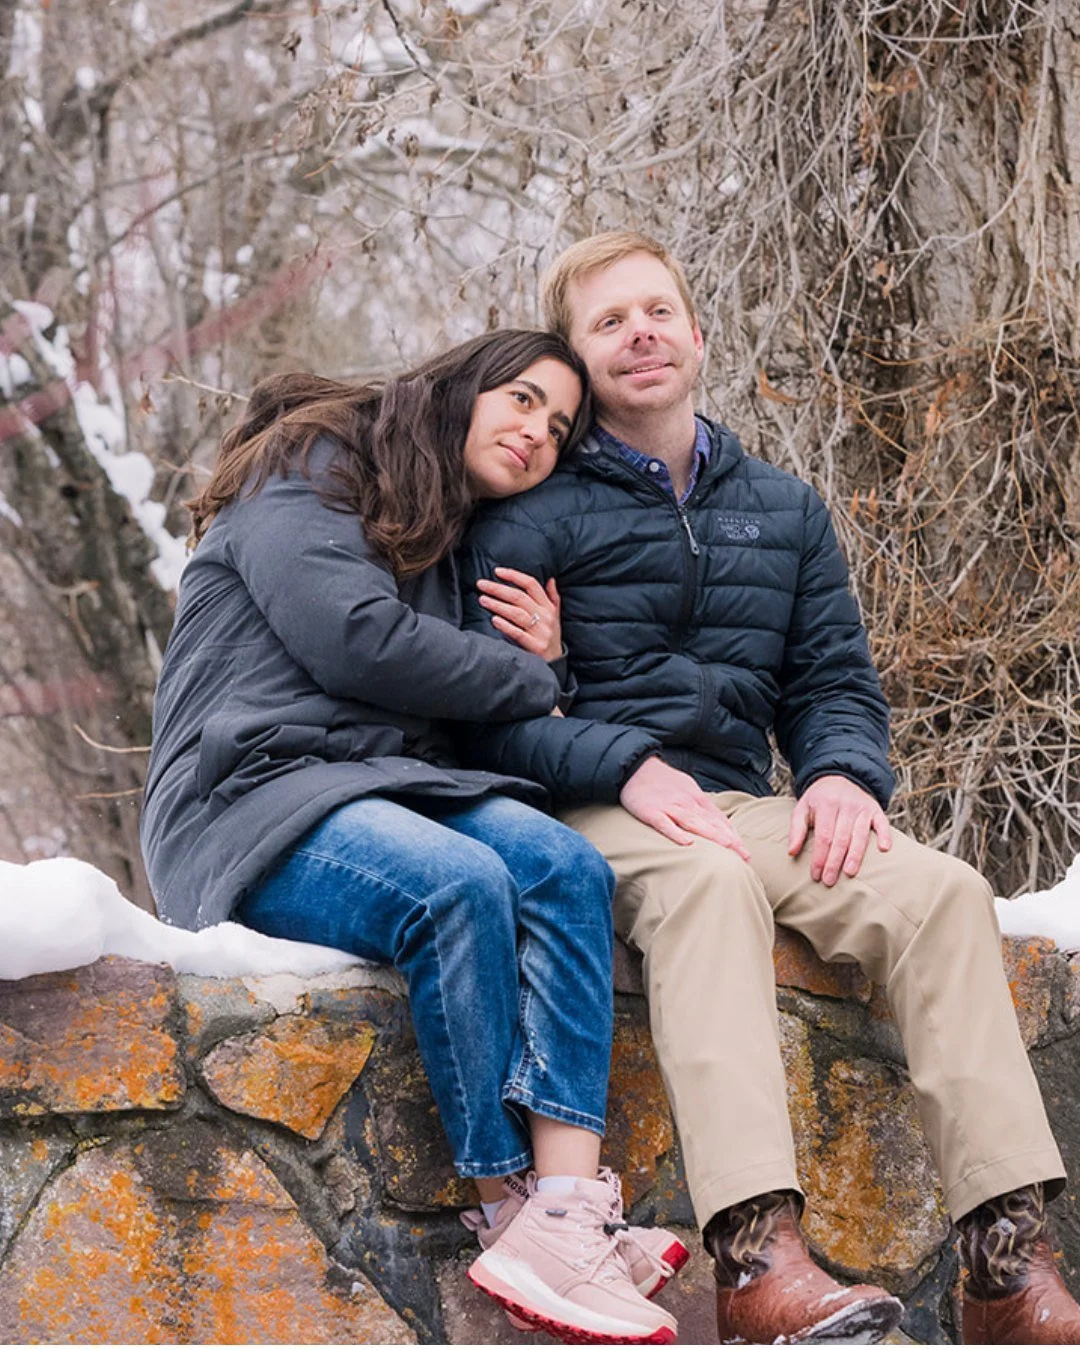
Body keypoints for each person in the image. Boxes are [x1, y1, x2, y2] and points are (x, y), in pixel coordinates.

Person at [459, 234, 1080, 1345]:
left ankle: (1005, 1276)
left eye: (658, 312)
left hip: (735, 802)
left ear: (697, 335)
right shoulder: (526, 514)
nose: (641, 335)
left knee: (941, 894)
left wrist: (840, 773)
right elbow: (490, 711)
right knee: (708, 885)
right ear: (578, 359)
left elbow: (833, 679)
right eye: (609, 323)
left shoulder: (785, 508)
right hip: (586, 802)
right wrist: (616, 758)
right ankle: (756, 1263)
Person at [139, 328, 683, 1346]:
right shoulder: (312, 462)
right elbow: (353, 639)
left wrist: (549, 661)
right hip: (246, 797)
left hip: (384, 786)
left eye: (560, 427)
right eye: (522, 399)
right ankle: (506, 1205)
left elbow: (466, 689)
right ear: (462, 387)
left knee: (566, 866)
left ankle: (569, 1211)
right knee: (456, 885)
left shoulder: (448, 526)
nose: (538, 433)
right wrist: (539, 675)